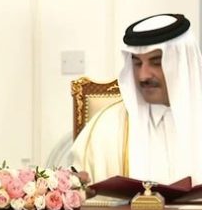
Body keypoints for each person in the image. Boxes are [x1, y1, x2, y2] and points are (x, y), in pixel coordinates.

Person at [69, 13, 202, 186]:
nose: (143, 76)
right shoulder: (105, 128)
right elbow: (79, 191)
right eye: (137, 63)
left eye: (156, 62)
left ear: (183, 63)